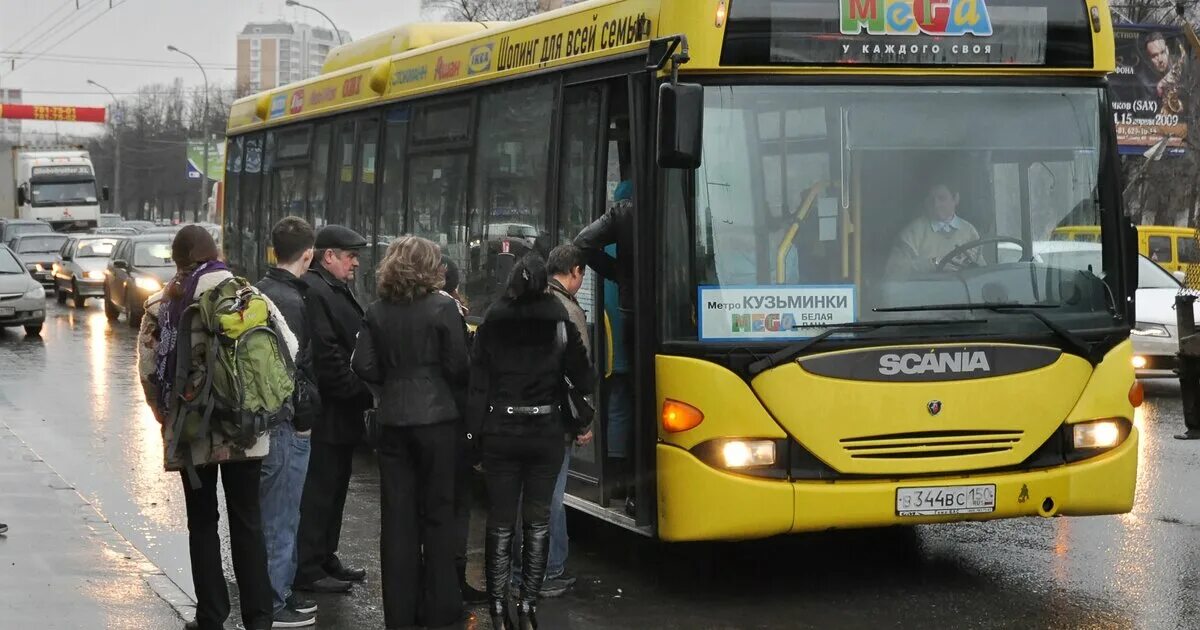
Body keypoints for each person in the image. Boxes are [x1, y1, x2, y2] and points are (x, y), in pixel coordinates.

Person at [137, 225, 280, 630]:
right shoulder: (251, 297)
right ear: (215, 251)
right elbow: (288, 348)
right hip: (246, 429)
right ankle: (260, 617)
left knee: (202, 523)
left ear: (179, 259)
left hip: (192, 431)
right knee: (248, 521)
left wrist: (166, 417)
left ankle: (211, 615)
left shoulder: (164, 304)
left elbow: (150, 373)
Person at [468, 253, 594, 630]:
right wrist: (580, 420)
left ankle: (496, 608)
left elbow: (478, 386)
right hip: (546, 435)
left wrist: (474, 435)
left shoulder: (492, 323)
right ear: (543, 285)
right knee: (537, 521)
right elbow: (583, 380)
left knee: (500, 521)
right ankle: (527, 605)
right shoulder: (558, 324)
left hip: (501, 435)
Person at [353, 236, 469, 629]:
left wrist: (393, 382)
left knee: (398, 521)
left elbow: (363, 364)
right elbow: (458, 364)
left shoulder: (376, 311)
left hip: (393, 422)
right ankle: (440, 609)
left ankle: (399, 615)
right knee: (438, 516)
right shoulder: (443, 308)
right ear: (431, 267)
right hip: (438, 420)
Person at [294, 225, 372, 594]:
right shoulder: (317, 290)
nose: (355, 263)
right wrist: (363, 392)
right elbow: (329, 356)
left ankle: (326, 555)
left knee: (336, 486)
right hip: (328, 412)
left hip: (341, 413)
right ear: (329, 257)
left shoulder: (332, 287)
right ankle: (308, 566)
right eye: (350, 256)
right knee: (320, 490)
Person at [254, 217, 319, 628]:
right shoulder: (293, 301)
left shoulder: (260, 291)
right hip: (286, 424)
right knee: (281, 516)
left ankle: (280, 590)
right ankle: (275, 601)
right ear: (308, 254)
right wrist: (305, 419)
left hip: (265, 422)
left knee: (274, 514)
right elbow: (295, 369)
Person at [575, 182, 638, 516]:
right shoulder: (662, 212)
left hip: (617, 329)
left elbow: (582, 245)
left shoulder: (616, 220)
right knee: (628, 404)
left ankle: (616, 475)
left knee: (620, 402)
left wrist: (619, 276)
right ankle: (626, 476)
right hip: (635, 328)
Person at [441, 255, 489, 605]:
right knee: (456, 506)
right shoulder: (450, 314)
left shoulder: (394, 307)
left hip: (416, 425)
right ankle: (452, 581)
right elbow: (462, 369)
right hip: (451, 423)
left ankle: (433, 580)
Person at [885, 180, 982, 276]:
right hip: (925, 290)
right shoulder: (913, 232)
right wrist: (932, 263)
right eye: (931, 200)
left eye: (942, 198)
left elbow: (980, 268)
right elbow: (894, 269)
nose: (936, 205)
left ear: (956, 199)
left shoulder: (969, 231)